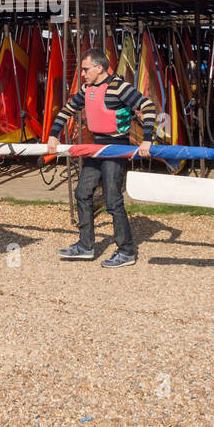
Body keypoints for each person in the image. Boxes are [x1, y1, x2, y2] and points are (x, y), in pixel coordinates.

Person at [45, 48, 155, 267]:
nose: (83, 73)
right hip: (97, 146)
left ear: (99, 68)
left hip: (116, 146)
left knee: (113, 200)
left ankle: (126, 251)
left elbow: (148, 107)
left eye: (86, 69)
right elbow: (66, 110)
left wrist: (147, 139)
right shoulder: (86, 89)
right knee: (82, 192)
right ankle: (86, 246)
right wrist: (53, 135)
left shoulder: (121, 88)